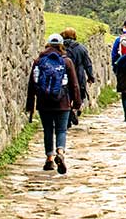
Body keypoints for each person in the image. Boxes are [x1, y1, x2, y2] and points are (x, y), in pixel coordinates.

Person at [26, 33, 82, 174]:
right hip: (62, 102)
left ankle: (49, 159)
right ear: (61, 45)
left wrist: (30, 104)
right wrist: (76, 102)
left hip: (44, 102)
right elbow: (74, 84)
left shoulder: (39, 61)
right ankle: (60, 151)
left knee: (48, 130)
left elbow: (32, 84)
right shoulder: (67, 61)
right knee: (61, 130)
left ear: (48, 44)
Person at [61, 27, 95, 127]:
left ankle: (67, 116)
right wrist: (90, 76)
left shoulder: (60, 47)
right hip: (78, 75)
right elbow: (87, 63)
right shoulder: (81, 48)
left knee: (65, 95)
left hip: (63, 74)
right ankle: (74, 110)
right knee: (78, 94)